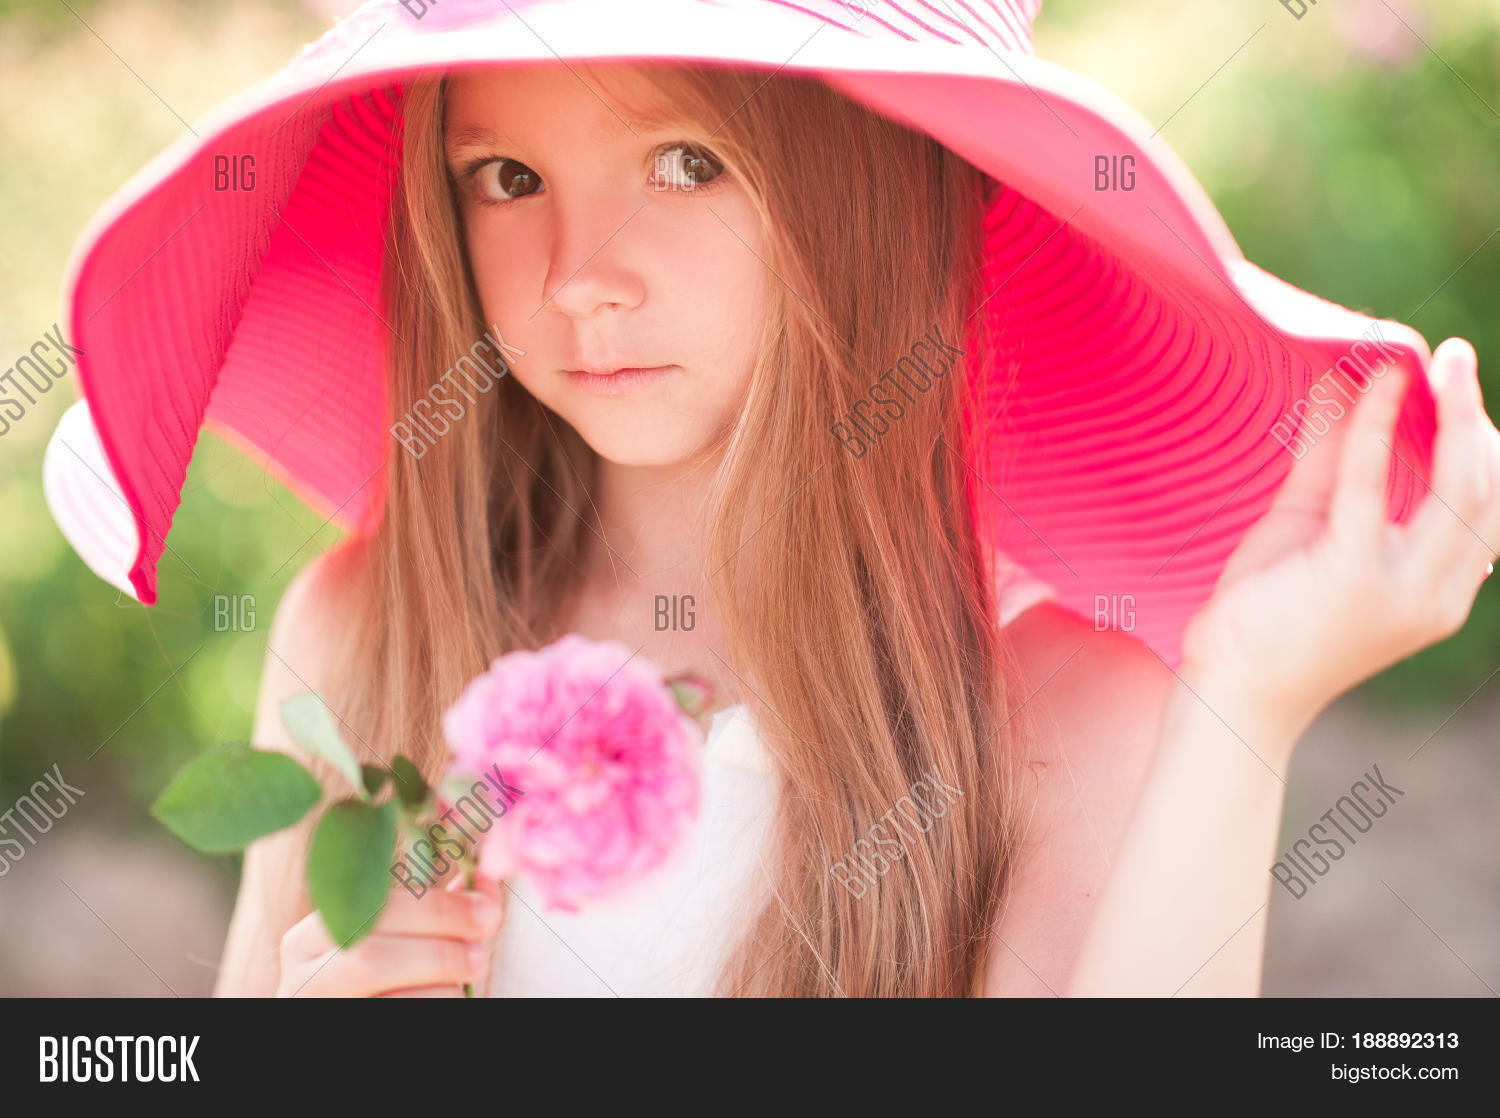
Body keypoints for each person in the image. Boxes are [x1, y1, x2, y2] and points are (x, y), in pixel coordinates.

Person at [43, 2, 1499, 997]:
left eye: (688, 161)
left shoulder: (1057, 709)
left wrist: (1250, 704)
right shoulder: (363, 631)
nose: (578, 274)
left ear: (897, 187)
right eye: (505, 173)